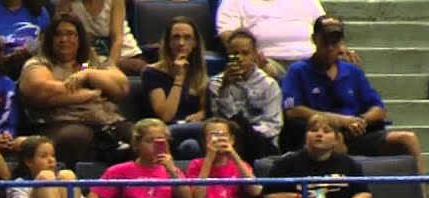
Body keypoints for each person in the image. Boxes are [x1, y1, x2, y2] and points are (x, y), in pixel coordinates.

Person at [281, 15, 426, 197]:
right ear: (314, 39)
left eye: (335, 41)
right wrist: (340, 121)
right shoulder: (298, 71)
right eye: (325, 41)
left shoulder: (352, 72)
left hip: (357, 133)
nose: (330, 47)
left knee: (407, 138)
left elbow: (378, 109)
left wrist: (362, 121)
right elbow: (293, 110)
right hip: (322, 135)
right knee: (334, 138)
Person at [17, 14, 128, 167]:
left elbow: (121, 86)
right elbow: (43, 91)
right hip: (61, 122)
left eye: (70, 34)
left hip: (106, 120)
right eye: (58, 34)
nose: (64, 40)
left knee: (139, 135)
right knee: (77, 138)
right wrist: (91, 94)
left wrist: (88, 74)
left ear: (80, 38)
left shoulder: (94, 63)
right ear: (50, 39)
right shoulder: (39, 63)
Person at [262, 112, 371, 198]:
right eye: (314, 130)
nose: (319, 134)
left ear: (336, 139)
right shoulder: (287, 163)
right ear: (306, 136)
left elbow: (364, 192)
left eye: (326, 131)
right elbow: (268, 196)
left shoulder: (349, 164)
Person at [90, 119, 190, 198]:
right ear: (137, 144)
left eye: (160, 141)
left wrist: (173, 172)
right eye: (150, 141)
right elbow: (93, 195)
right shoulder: (120, 170)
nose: (155, 146)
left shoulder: (172, 170)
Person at [208, 29, 282, 161]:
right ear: (228, 55)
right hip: (228, 142)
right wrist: (224, 89)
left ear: (255, 55)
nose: (240, 58)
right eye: (235, 54)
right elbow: (218, 120)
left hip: (262, 144)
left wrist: (248, 133)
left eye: (245, 53)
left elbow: (273, 126)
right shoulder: (216, 84)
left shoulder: (269, 85)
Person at [140, 16, 208, 158]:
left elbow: (204, 109)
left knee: (191, 146)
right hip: (164, 132)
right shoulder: (151, 72)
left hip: (194, 133)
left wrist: (201, 114)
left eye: (187, 38)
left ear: (195, 43)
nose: (181, 43)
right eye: (176, 37)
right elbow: (166, 115)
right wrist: (179, 78)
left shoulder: (199, 71)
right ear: (168, 42)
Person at [6, 135, 95, 198]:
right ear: (28, 161)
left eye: (52, 155)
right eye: (44, 156)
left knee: (67, 174)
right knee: (46, 176)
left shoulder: (60, 178)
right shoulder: (19, 183)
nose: (51, 160)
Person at [187, 118, 261, 198]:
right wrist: (209, 158)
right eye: (213, 135)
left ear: (232, 140)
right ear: (204, 141)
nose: (218, 139)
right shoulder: (196, 164)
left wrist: (233, 154)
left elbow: (256, 191)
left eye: (222, 135)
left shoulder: (240, 164)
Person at [54, 0, 144, 75]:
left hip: (123, 57)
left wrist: (109, 68)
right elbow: (58, 32)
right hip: (89, 61)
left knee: (135, 66)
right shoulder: (66, 3)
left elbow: (117, 39)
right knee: (74, 70)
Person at [0, 0, 50, 76]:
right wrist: (7, 59)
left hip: (36, 68)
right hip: (1, 71)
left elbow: (46, 45)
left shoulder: (38, 10)